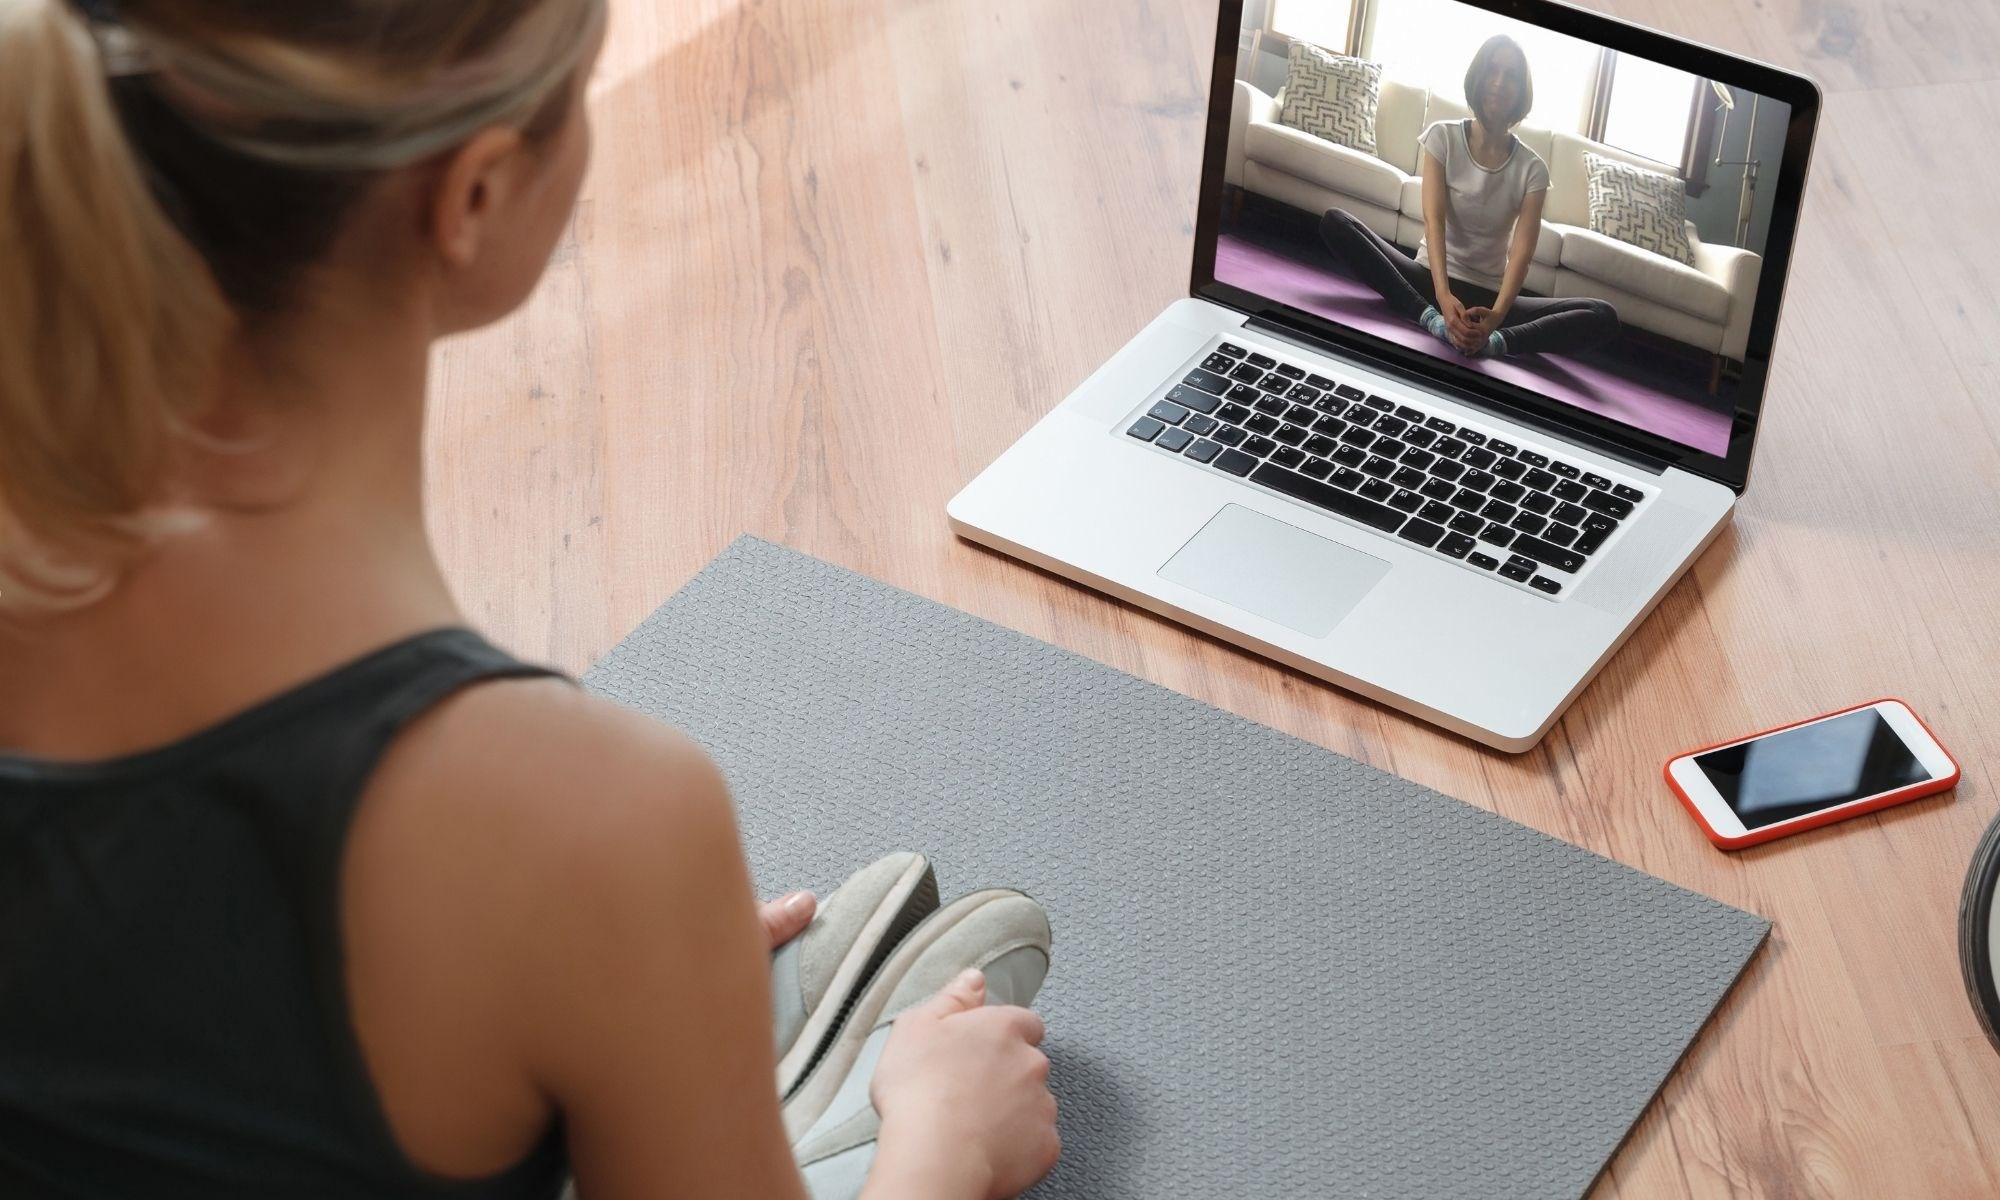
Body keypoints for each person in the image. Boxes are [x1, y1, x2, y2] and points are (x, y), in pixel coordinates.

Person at [0, 2, 1059, 1198]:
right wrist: (944, 1152)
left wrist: (617, 982)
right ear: (474, 196)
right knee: (925, 1104)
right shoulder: (585, 820)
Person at [1317, 34, 1618, 360]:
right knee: (1336, 222)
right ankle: (1432, 320)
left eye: (1511, 76)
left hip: (1491, 299)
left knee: (1602, 315)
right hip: (1430, 282)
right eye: (1492, 70)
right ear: (1478, 76)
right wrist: (1443, 298)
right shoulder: (1442, 137)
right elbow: (1434, 222)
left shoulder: (1533, 169)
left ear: (1521, 90)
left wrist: (1497, 317)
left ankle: (1496, 342)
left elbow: (1522, 254)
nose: (1499, 82)